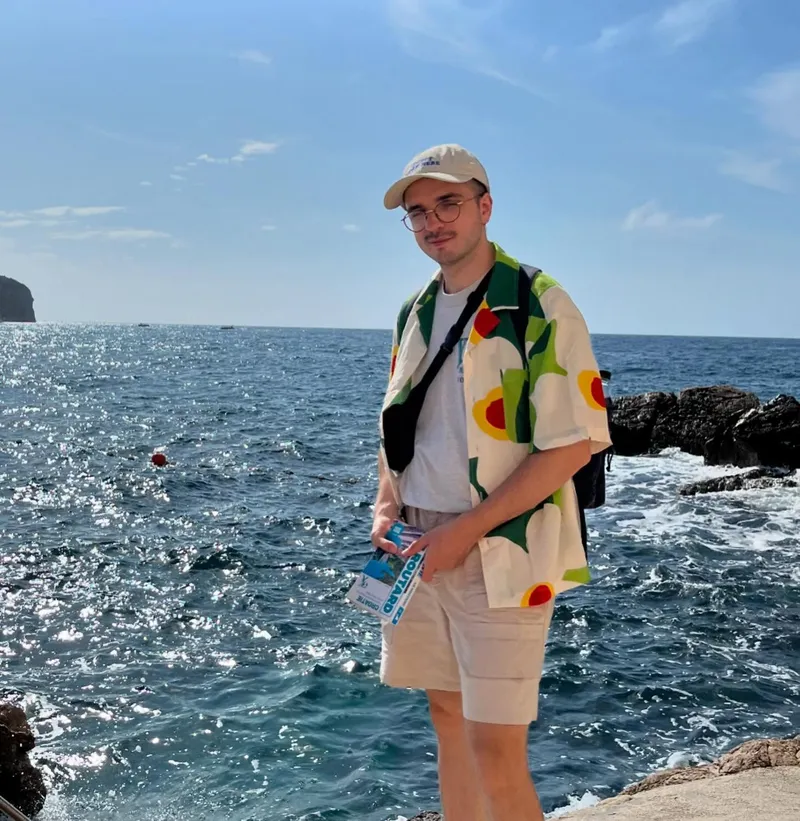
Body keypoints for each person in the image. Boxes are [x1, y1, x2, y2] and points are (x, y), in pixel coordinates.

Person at [371, 144, 612, 821]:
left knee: (495, 747)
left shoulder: (536, 300)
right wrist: (386, 503)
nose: (432, 221)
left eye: (448, 203)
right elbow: (398, 425)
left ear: (485, 205)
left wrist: (462, 533)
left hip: (502, 552)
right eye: (418, 212)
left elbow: (574, 443)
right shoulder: (414, 312)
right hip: (419, 546)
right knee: (447, 718)